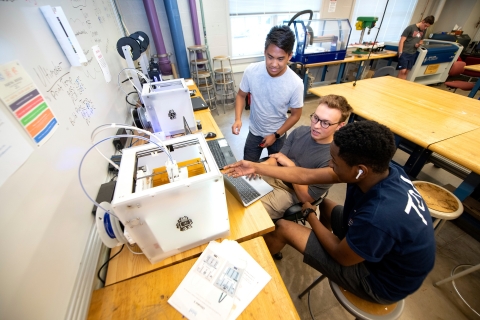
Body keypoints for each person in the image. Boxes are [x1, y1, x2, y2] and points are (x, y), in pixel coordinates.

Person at [225, 121, 436, 304]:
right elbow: (304, 175)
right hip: (379, 245)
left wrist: (309, 216)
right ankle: (325, 242)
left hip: (378, 280)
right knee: (325, 205)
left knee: (283, 227)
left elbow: (340, 255)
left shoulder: (379, 217)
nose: (329, 163)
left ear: (359, 170)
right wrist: (255, 167)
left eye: (334, 161)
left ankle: (246, 275)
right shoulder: (381, 170)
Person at [260, 95, 353, 220]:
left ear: (340, 126)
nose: (316, 126)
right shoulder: (300, 132)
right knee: (237, 191)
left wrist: (291, 166)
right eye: (315, 118)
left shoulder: (334, 159)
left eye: (325, 123)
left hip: (289, 191)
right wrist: (259, 168)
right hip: (276, 174)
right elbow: (278, 158)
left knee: (253, 212)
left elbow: (305, 198)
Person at [232, 25, 304, 162]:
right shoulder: (251, 71)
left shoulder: (295, 83)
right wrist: (237, 119)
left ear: (290, 56)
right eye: (270, 57)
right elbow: (241, 95)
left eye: (280, 59)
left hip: (278, 134)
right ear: (264, 52)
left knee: (278, 173)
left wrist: (275, 135)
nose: (274, 64)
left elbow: (296, 115)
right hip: (255, 132)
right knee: (248, 168)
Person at [397, 15, 435, 80]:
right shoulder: (410, 28)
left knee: (406, 71)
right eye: (425, 26)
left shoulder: (424, 30)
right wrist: (400, 52)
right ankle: (396, 85)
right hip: (405, 52)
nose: (425, 28)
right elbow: (401, 41)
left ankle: (401, 86)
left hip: (413, 53)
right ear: (423, 21)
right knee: (402, 70)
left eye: (427, 27)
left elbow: (421, 40)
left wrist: (419, 44)